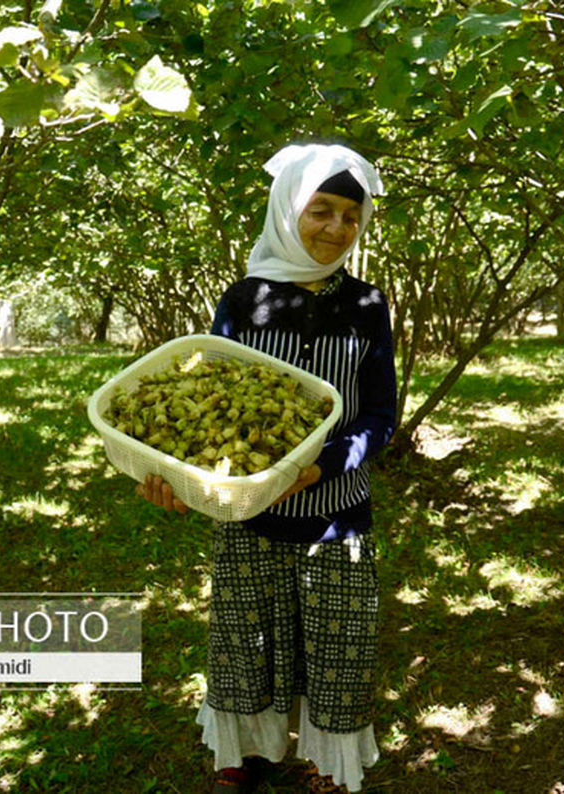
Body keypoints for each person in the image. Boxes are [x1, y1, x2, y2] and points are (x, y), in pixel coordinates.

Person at [137, 143, 397, 793]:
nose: (336, 229)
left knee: (335, 654)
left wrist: (325, 464)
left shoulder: (366, 306)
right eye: (321, 211)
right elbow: (205, 414)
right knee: (243, 641)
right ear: (287, 210)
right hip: (249, 514)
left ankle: (324, 762)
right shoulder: (244, 300)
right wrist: (173, 478)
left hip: (336, 517)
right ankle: (243, 755)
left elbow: (380, 417)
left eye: (350, 217)